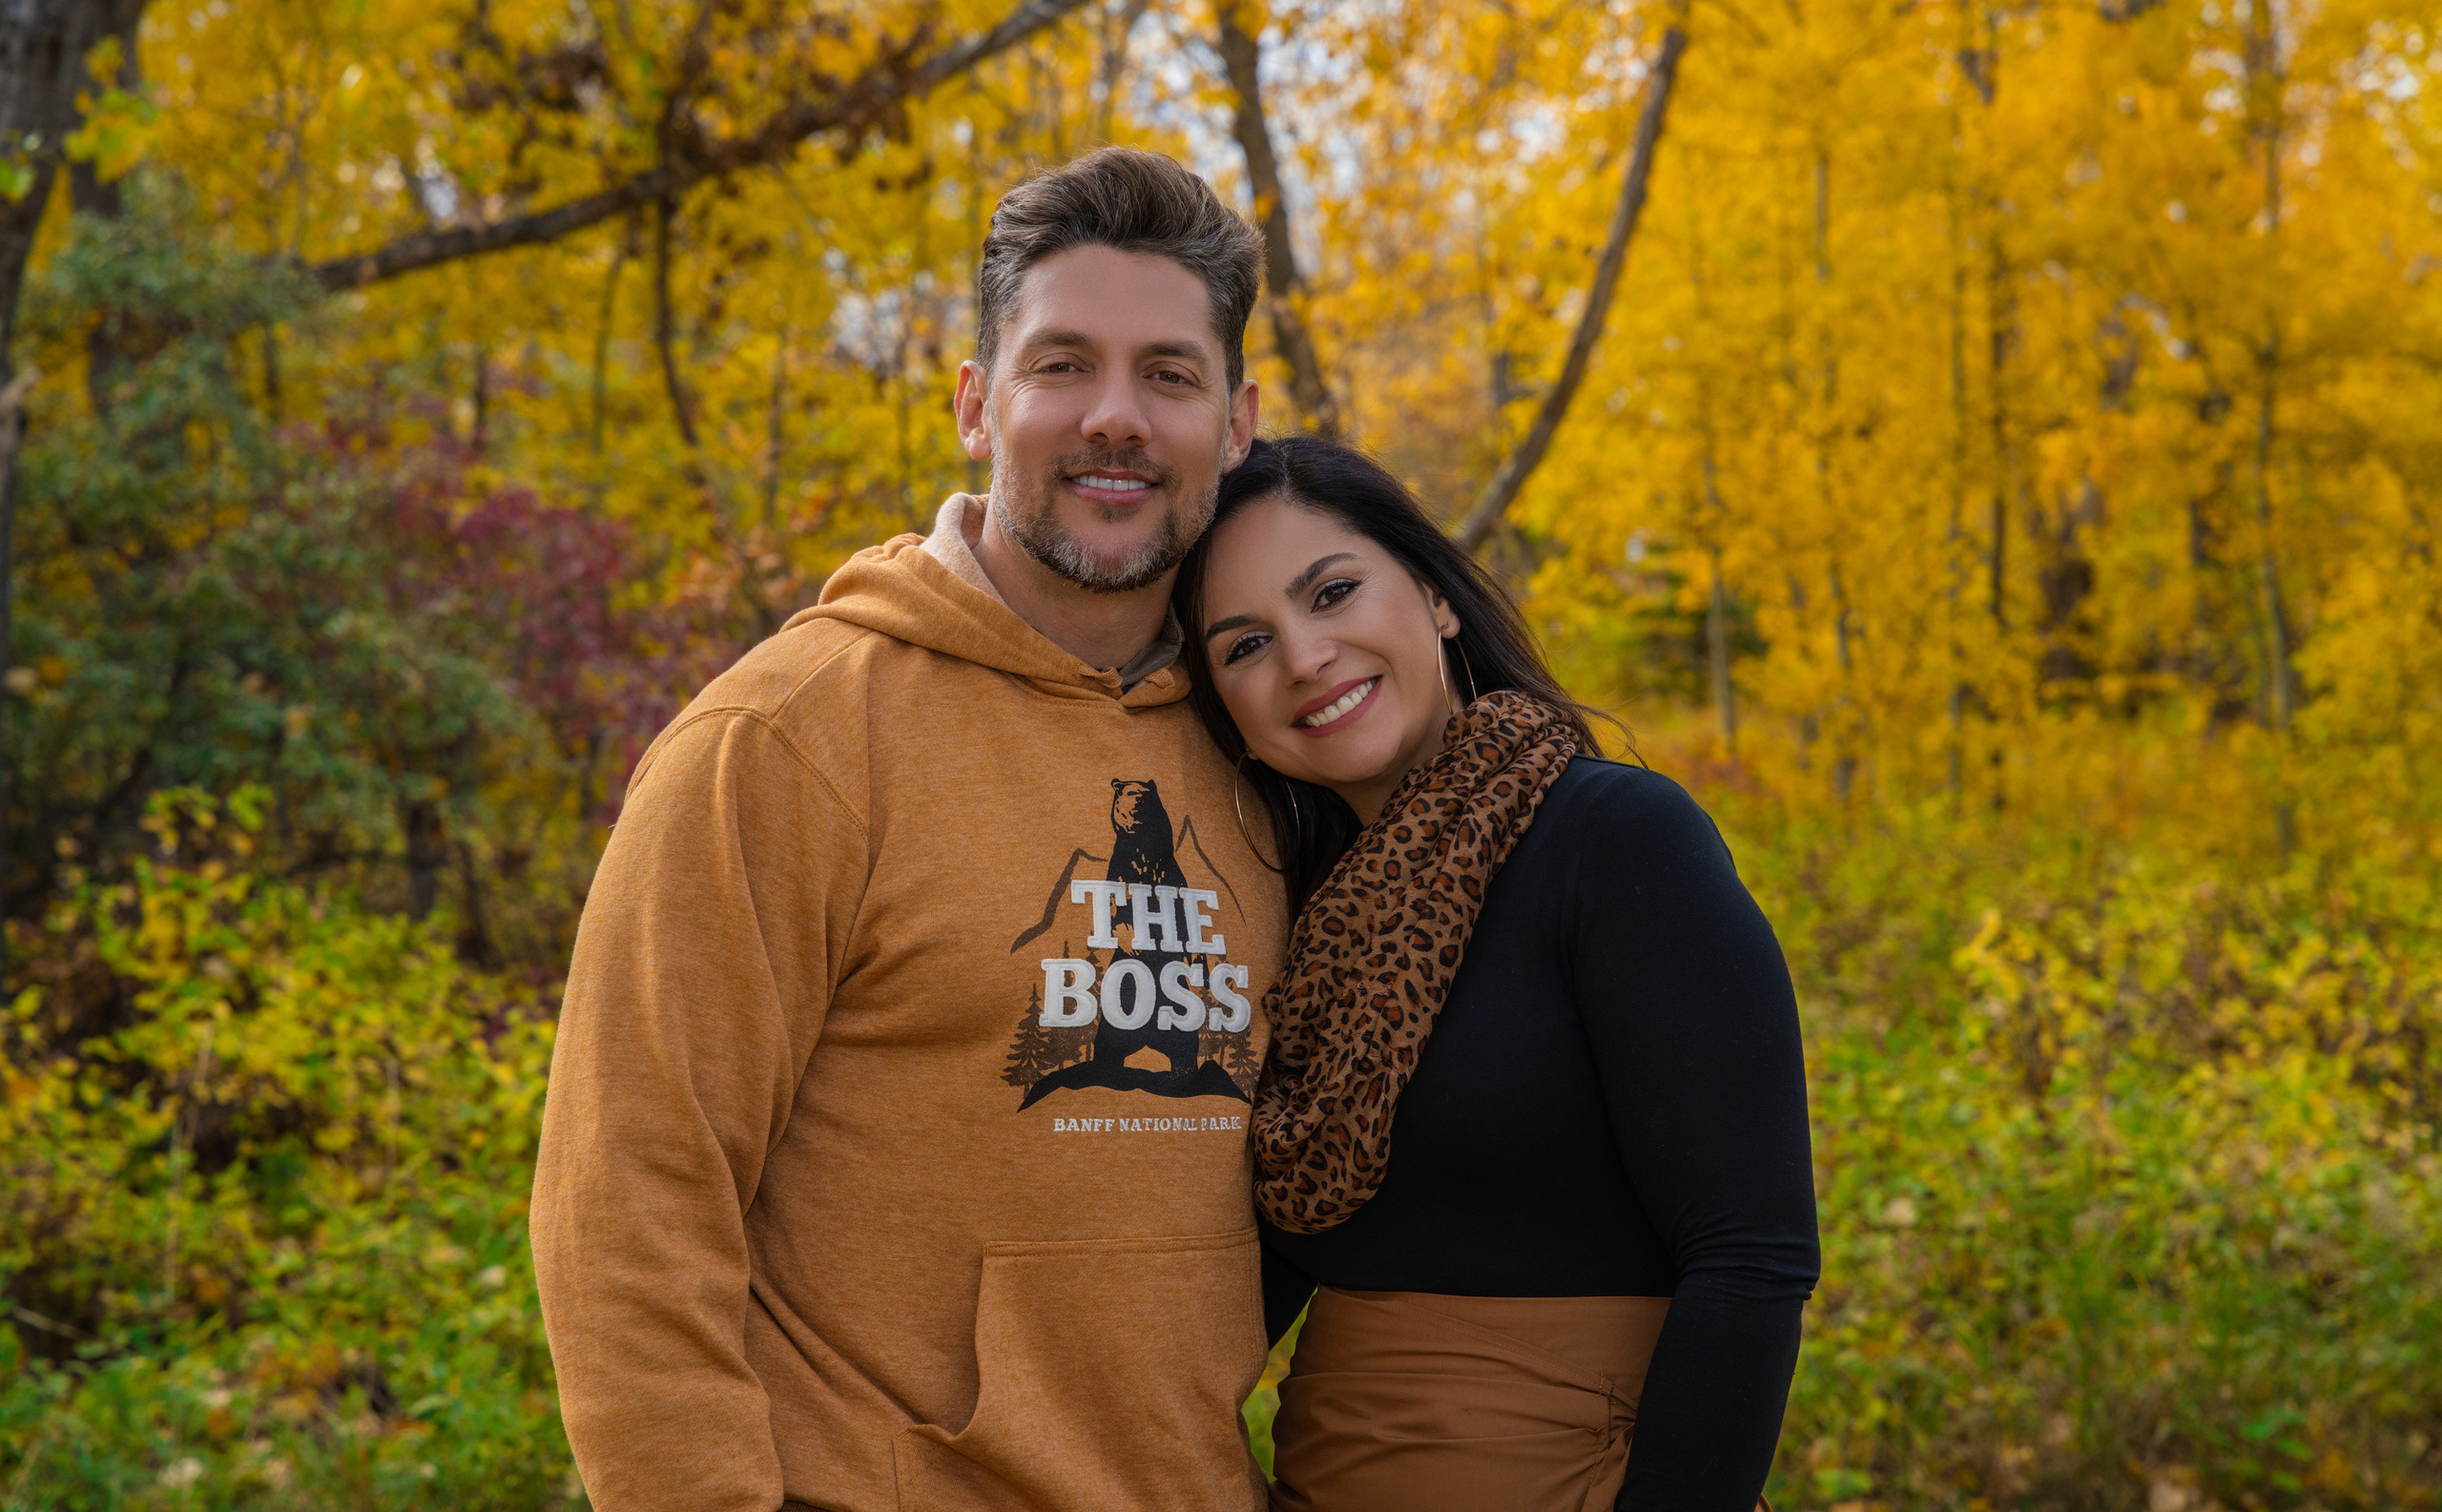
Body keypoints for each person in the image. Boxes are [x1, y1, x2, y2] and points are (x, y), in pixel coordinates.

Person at [530, 149, 1291, 1512]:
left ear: (1235, 424)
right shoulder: (783, 740)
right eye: (1062, 364)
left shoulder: (1269, 744)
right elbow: (629, 1201)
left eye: (1168, 375)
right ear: (974, 403)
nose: (1115, 415)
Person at [1175, 436, 1821, 1512]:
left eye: (1333, 592)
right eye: (1245, 646)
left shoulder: (1614, 841)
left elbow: (1750, 1259)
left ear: (1433, 598)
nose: (1304, 657)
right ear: (1226, 716)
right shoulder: (1289, 922)